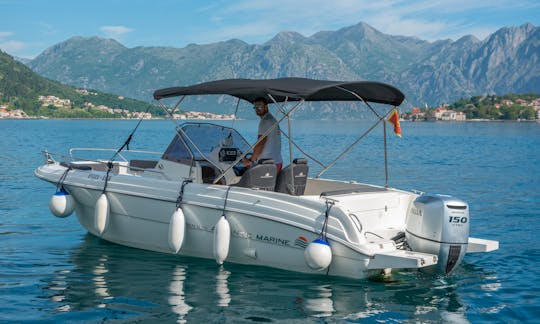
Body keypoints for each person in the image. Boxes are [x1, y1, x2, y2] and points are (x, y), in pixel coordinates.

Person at [242, 97, 283, 172]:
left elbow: (260, 144)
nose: (257, 109)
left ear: (266, 107)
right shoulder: (273, 120)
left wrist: (251, 160)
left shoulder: (265, 122)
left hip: (267, 164)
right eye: (255, 107)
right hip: (277, 162)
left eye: (259, 106)